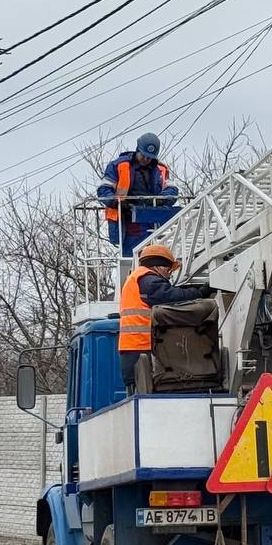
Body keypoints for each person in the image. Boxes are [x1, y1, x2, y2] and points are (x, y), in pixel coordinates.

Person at [118, 244, 210, 391]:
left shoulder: (138, 279)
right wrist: (200, 293)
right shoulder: (148, 281)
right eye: (168, 270)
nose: (169, 274)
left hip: (134, 350)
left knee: (140, 396)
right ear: (158, 267)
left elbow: (168, 292)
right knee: (147, 396)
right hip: (142, 350)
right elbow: (172, 297)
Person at [97, 131, 178, 256]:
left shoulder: (161, 169)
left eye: (149, 157)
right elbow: (103, 190)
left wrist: (163, 199)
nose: (146, 159)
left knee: (155, 256)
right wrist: (117, 202)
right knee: (132, 259)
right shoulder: (118, 166)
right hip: (128, 221)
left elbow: (172, 190)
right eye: (143, 156)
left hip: (154, 220)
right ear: (137, 150)